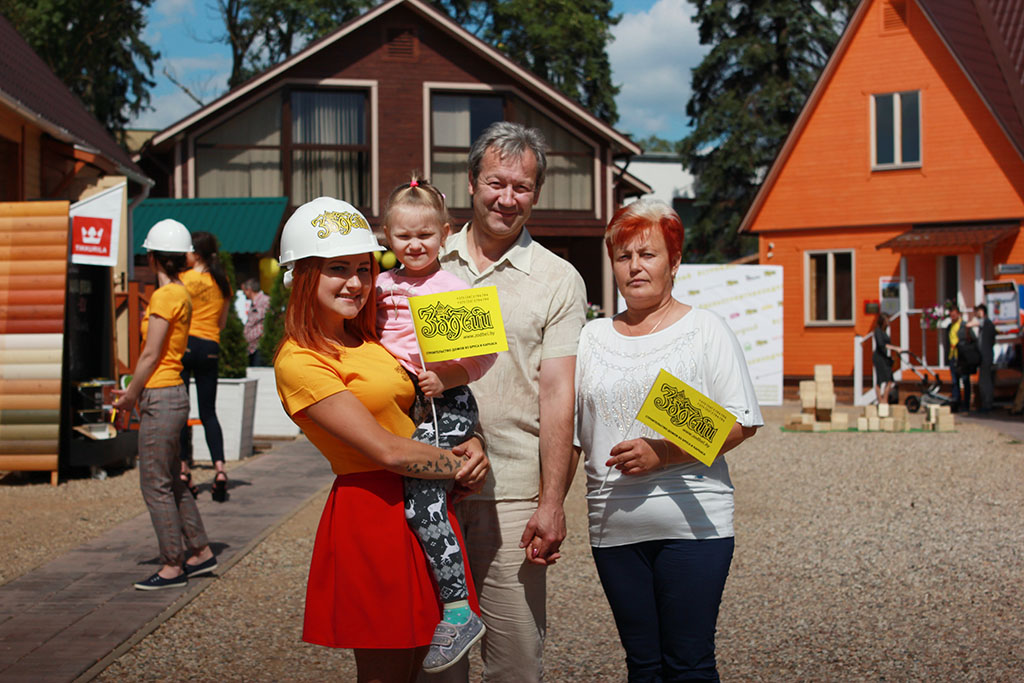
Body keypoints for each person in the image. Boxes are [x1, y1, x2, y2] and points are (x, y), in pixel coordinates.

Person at [272, 196, 490, 682]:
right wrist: (459, 465)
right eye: (338, 269)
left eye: (364, 269)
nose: (355, 283)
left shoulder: (368, 336)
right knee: (386, 672)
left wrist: (470, 441)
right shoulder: (300, 360)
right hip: (372, 513)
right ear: (302, 274)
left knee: (434, 672)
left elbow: (418, 409)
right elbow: (386, 449)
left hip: (425, 506)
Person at [575, 199, 762, 680]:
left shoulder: (705, 330)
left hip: (693, 525)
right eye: (623, 256)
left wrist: (663, 452)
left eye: (648, 254)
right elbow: (571, 431)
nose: (635, 266)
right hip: (613, 525)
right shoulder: (592, 337)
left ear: (674, 261)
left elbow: (741, 422)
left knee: (689, 663)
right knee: (643, 666)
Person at [431, 121, 587, 682]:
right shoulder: (426, 260)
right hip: (428, 488)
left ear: (536, 194)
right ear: (472, 181)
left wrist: (552, 502)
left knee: (516, 662)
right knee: (435, 662)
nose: (507, 198)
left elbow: (559, 395)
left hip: (513, 493)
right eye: (497, 182)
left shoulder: (557, 279)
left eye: (522, 187)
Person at [376, 176, 497, 673]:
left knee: (422, 501)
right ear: (387, 236)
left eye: (425, 235)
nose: (414, 244)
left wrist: (446, 376)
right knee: (409, 502)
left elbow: (484, 357)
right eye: (404, 235)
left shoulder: (454, 288)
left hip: (446, 405)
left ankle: (458, 610)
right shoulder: (380, 286)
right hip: (405, 406)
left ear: (445, 234)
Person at [113, 219, 217, 590]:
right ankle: (200, 551)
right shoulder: (182, 292)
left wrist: (130, 395)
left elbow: (150, 353)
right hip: (173, 392)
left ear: (152, 257)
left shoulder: (163, 296)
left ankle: (172, 563)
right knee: (171, 480)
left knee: (154, 484)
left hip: (160, 393)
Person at [179, 231, 231, 502]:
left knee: (182, 412)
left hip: (185, 344)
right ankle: (220, 470)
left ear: (196, 254)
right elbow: (222, 323)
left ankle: (184, 470)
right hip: (210, 345)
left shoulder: (183, 279)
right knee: (209, 412)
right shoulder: (222, 282)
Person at [944, 305, 978, 413]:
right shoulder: (949, 327)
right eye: (951, 315)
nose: (953, 317)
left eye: (954, 315)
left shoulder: (964, 326)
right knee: (955, 381)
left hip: (963, 357)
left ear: (958, 314)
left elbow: (973, 339)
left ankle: (966, 405)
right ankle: (956, 403)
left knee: (965, 380)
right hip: (953, 356)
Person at [969, 303, 996, 412]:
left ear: (982, 312)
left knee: (985, 381)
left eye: (977, 311)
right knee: (983, 381)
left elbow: (970, 324)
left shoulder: (987, 323)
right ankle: (985, 404)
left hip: (986, 356)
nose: (976, 314)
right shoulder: (984, 324)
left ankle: (987, 404)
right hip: (983, 356)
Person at [241, 278, 271, 366]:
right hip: (251, 348)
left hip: (259, 347)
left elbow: (268, 322)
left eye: (244, 291)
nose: (244, 294)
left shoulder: (265, 301)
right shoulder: (254, 303)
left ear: (249, 290)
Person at [872, 312, 901, 404]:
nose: (888, 322)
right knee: (880, 380)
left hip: (885, 358)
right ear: (882, 321)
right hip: (879, 358)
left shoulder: (884, 332)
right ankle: (880, 401)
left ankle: (885, 399)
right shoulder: (877, 331)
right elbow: (881, 345)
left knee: (889, 380)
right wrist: (895, 348)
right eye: (887, 320)